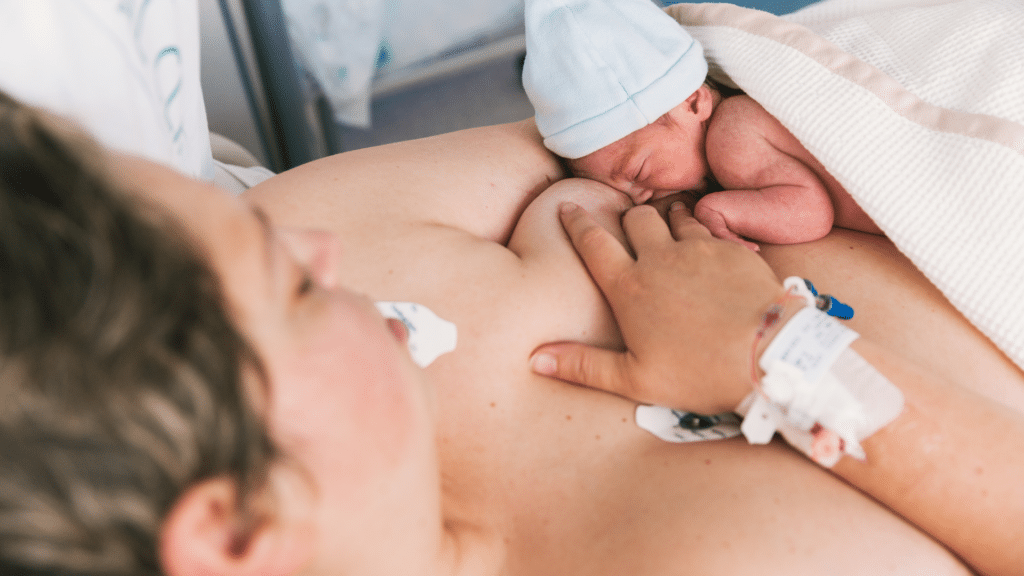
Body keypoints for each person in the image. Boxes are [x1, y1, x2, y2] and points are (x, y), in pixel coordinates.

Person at [3, 89, 1022, 576]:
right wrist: (776, 355)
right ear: (234, 533)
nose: (308, 249)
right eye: (287, 294)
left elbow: (659, 122)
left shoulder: (358, 244)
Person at [522, 0, 882, 250]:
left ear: (694, 103)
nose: (636, 197)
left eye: (638, 171)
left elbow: (812, 214)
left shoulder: (731, 135)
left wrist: (715, 210)